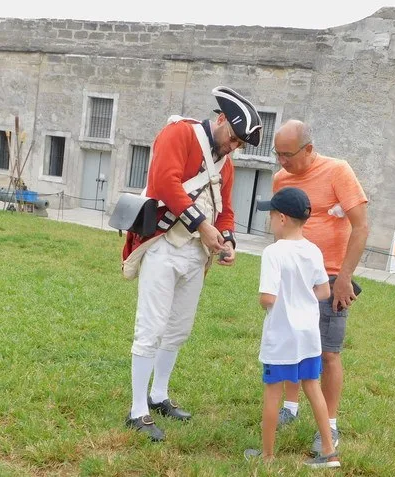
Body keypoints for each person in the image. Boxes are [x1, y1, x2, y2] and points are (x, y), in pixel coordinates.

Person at [122, 86, 263, 442]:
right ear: (220, 120)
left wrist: (227, 239)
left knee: (178, 328)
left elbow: (226, 209)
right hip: (163, 245)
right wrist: (204, 225)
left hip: (195, 253)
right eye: (233, 138)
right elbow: (165, 183)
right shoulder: (179, 133)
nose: (233, 148)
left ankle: (159, 395)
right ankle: (137, 409)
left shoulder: (225, 165)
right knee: (150, 327)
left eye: (239, 145)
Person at [270, 120, 369, 455]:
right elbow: (278, 227)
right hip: (291, 278)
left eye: (287, 154)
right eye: (277, 154)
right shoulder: (280, 179)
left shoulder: (338, 171)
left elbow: (361, 226)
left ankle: (329, 426)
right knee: (291, 343)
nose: (282, 161)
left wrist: (344, 278)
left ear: (308, 149)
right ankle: (291, 407)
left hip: (329, 278)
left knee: (327, 352)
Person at [243, 187, 340, 468]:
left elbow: (268, 298)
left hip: (281, 335)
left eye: (271, 215)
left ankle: (268, 456)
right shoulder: (313, 250)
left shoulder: (273, 252)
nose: (269, 220)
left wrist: (267, 301)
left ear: (282, 218)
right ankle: (329, 450)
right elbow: (323, 291)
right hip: (308, 335)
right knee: (313, 386)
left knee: (273, 391)